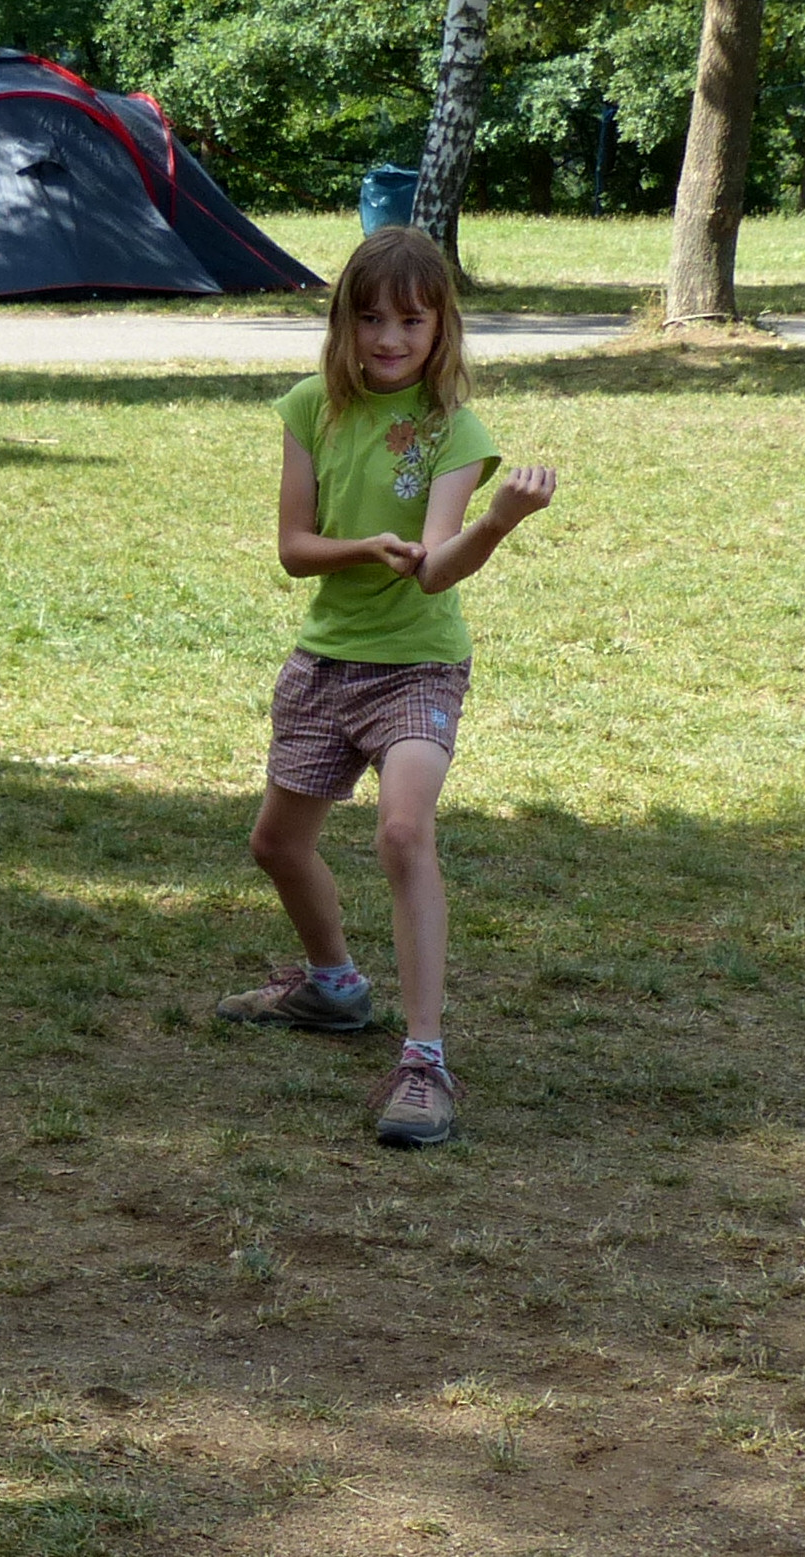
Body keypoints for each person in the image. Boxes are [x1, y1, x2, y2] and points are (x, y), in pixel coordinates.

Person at [216, 226, 555, 1146]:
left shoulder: (454, 431)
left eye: (409, 320)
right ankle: (331, 986)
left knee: (403, 832)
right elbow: (293, 550)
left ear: (440, 326)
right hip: (327, 660)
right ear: (343, 323)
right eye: (369, 318)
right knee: (275, 845)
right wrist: (363, 547)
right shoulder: (309, 408)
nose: (388, 338)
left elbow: (436, 569)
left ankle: (423, 1061)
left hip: (418, 665)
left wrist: (495, 522)